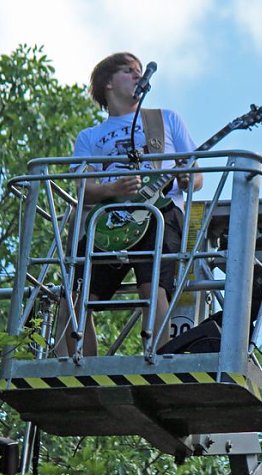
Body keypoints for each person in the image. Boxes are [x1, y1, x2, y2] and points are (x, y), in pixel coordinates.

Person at [55, 52, 203, 358]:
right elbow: (83, 189)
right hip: (109, 220)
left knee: (153, 289)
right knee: (76, 296)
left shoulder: (165, 119)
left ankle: (159, 360)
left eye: (139, 71)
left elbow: (197, 175)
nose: (138, 76)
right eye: (128, 71)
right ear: (108, 83)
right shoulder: (90, 137)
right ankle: (82, 367)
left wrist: (188, 180)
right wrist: (114, 188)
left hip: (159, 212)